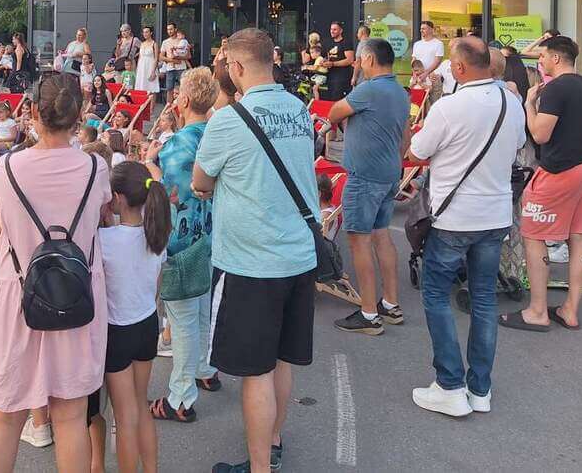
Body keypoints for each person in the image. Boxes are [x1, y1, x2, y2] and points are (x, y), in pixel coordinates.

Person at [192, 28, 318, 473]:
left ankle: (260, 466)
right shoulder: (300, 110)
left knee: (255, 372)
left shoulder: (228, 120)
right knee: (282, 360)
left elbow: (200, 181)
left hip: (251, 261)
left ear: (237, 67)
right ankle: (274, 439)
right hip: (299, 254)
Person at [0, 74, 110, 473]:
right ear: (78, 115)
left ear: (34, 112)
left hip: (18, 294)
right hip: (76, 294)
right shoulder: (96, 168)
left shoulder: (9, 167)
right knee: (71, 416)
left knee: (6, 414)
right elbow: (101, 217)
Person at [407, 36, 526, 416]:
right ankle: (480, 389)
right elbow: (518, 145)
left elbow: (417, 152)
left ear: (458, 68)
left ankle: (450, 384)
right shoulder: (511, 103)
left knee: (436, 295)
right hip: (495, 214)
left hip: (454, 217)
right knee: (484, 298)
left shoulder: (449, 107)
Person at [501, 36, 582, 332]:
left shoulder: (555, 88)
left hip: (558, 170)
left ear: (556, 58)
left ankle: (537, 311)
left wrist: (529, 104)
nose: (540, 61)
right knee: (577, 236)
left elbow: (540, 134)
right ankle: (570, 309)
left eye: (543, 56)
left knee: (534, 236)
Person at [145, 67, 220, 423]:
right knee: (203, 307)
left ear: (184, 100)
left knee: (184, 317)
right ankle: (205, 368)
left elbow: (170, 194)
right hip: (213, 234)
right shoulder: (217, 136)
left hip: (182, 241)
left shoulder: (175, 145)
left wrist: (150, 167)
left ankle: (180, 397)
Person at [325, 38, 412, 336]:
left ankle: (368, 313)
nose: (359, 64)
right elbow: (406, 137)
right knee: (381, 236)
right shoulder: (400, 92)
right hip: (389, 173)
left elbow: (335, 112)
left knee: (359, 241)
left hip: (364, 176)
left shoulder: (368, 89)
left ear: (370, 59)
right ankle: (390, 303)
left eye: (361, 59)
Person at [96, 161, 170, 473]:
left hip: (118, 329)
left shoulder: (105, 241)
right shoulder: (156, 235)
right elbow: (154, 285)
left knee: (124, 417)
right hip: (146, 323)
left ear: (118, 198)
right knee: (141, 406)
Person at [323, 21, 356, 100]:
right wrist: (324, 61)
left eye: (335, 29)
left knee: (338, 99)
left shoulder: (346, 42)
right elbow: (328, 57)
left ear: (341, 31)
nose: (332, 31)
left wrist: (333, 64)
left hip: (342, 77)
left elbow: (350, 60)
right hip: (330, 76)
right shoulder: (328, 42)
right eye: (331, 29)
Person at [160, 22, 191, 106]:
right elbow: (161, 57)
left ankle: (182, 107)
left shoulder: (182, 41)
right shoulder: (165, 42)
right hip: (170, 68)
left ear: (175, 29)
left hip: (181, 68)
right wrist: (173, 61)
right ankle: (168, 108)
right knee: (169, 89)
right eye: (168, 29)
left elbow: (188, 56)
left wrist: (179, 58)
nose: (169, 31)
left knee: (183, 88)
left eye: (171, 29)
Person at [411, 20, 446, 85]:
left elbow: (437, 62)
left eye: (423, 29)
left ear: (431, 30)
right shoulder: (417, 44)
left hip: (432, 78)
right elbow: (414, 60)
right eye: (421, 29)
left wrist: (426, 73)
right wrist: (414, 74)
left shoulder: (438, 44)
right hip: (418, 78)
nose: (421, 30)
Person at [134, 26, 161, 95]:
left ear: (151, 33)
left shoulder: (154, 44)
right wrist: (137, 70)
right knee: (141, 86)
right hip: (141, 68)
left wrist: (153, 71)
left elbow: (156, 58)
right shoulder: (142, 44)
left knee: (152, 88)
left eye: (146, 32)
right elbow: (140, 57)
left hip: (150, 67)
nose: (145, 34)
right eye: (144, 32)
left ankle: (152, 102)